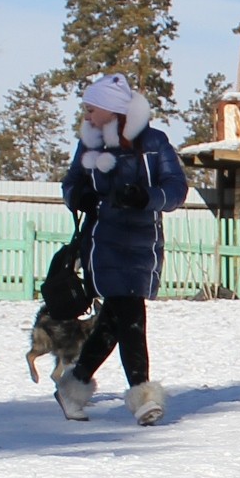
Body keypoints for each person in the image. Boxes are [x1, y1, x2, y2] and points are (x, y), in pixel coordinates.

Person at [56, 73, 188, 426]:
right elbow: (70, 183)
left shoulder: (155, 144)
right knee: (131, 315)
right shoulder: (90, 146)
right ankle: (143, 397)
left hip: (143, 244)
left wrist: (148, 197)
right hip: (104, 241)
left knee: (115, 320)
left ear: (113, 111)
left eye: (91, 108)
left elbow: (176, 188)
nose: (85, 116)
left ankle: (75, 384)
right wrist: (78, 196)